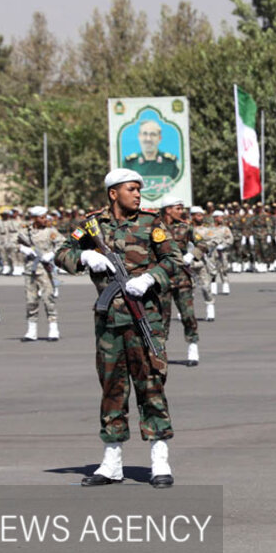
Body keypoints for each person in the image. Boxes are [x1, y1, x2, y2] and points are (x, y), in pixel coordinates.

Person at [54, 168, 182, 488]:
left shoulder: (151, 223)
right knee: (112, 390)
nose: (138, 194)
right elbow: (61, 254)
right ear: (113, 193)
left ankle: (159, 459)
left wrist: (150, 278)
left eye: (139, 189)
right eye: (131, 189)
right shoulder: (92, 224)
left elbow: (173, 261)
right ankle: (112, 462)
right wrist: (85, 257)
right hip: (110, 322)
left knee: (151, 387)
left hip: (144, 319)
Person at [158, 196, 200, 367]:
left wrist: (193, 254)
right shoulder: (154, 228)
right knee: (161, 317)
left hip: (182, 278)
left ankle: (193, 347)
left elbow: (203, 243)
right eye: (178, 208)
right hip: (161, 279)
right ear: (168, 210)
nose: (181, 211)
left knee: (188, 314)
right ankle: (160, 351)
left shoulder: (185, 227)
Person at [20, 206, 62, 341]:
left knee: (48, 299)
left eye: (45, 217)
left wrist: (52, 254)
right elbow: (10, 243)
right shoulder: (25, 231)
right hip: (30, 270)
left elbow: (62, 243)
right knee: (30, 301)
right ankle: (31, 331)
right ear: (34, 218)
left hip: (45, 270)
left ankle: (53, 329)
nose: (45, 220)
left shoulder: (50, 231)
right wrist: (22, 248)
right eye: (42, 217)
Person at [187, 206, 216, 321]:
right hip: (187, 263)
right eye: (197, 215)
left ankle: (210, 308)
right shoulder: (186, 228)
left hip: (200, 262)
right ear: (192, 216)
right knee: (188, 288)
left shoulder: (206, 230)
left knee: (205, 287)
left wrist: (203, 248)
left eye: (201, 215)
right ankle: (186, 311)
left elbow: (213, 240)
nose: (200, 217)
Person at [199, 210, 232, 296]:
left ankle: (225, 285)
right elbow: (205, 239)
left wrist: (224, 245)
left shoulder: (225, 229)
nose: (222, 219)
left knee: (223, 269)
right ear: (215, 218)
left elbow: (230, 239)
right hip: (212, 252)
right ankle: (213, 287)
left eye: (222, 217)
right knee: (212, 269)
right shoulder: (209, 229)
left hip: (222, 252)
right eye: (220, 217)